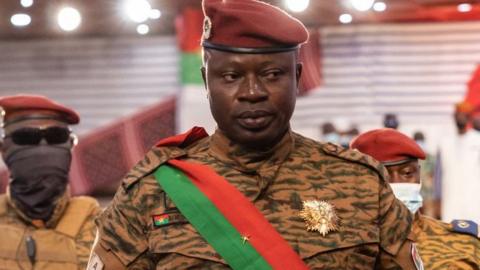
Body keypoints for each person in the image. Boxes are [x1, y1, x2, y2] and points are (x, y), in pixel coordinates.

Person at [88, 0, 419, 269]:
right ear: (207, 81)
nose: (252, 92)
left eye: (272, 74)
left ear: (297, 76)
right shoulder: (152, 189)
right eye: (231, 76)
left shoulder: (359, 181)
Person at [351, 128, 480, 269]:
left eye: (407, 173)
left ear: (419, 174)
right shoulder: (341, 248)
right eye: (384, 176)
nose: (397, 184)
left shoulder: (464, 244)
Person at [0, 94, 101, 269]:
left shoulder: (99, 225)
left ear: (70, 145)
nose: (43, 146)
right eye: (26, 137)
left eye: (56, 136)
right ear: (4, 149)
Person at [437, 102, 480, 224]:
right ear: (454, 117)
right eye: (458, 114)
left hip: (475, 199)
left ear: (469, 117)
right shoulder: (444, 142)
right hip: (450, 199)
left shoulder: (478, 140)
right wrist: (437, 200)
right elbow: (438, 176)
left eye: (464, 114)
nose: (461, 117)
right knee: (451, 235)